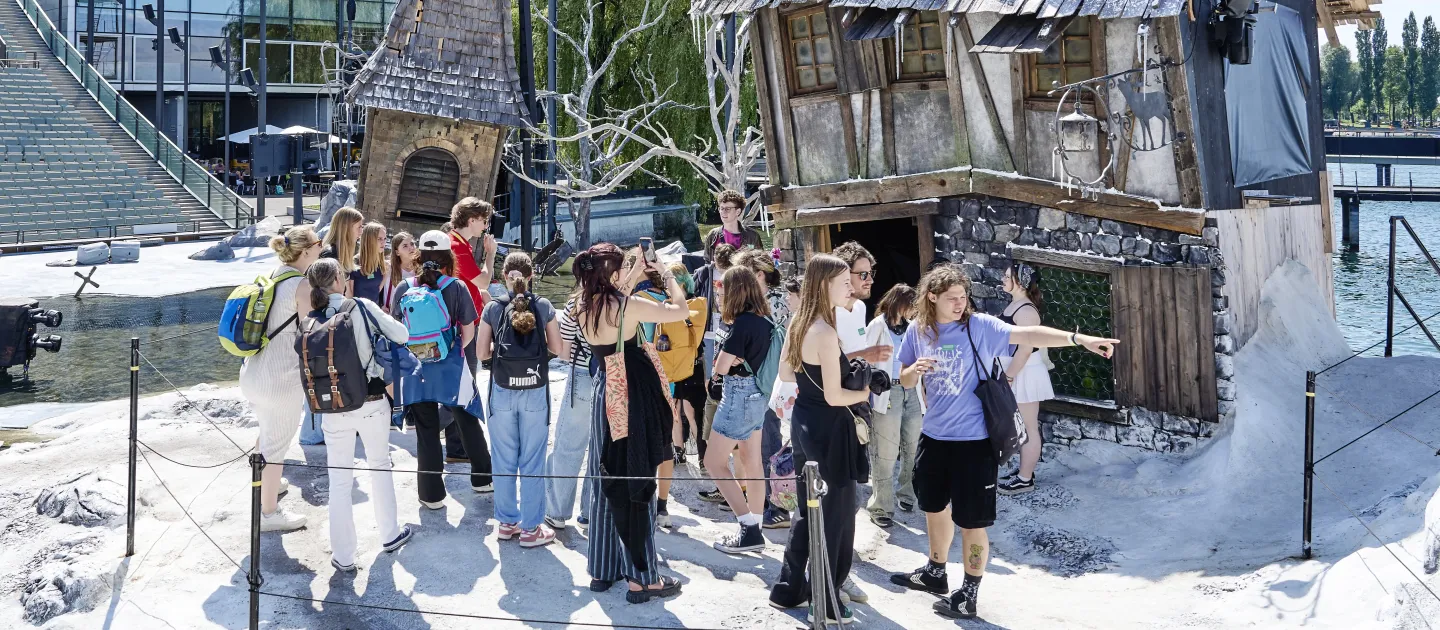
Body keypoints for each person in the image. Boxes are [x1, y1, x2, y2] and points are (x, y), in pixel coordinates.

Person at [888, 263, 1118, 620]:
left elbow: (1030, 335)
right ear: (931, 297)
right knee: (933, 507)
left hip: (975, 443)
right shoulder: (919, 331)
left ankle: (969, 593)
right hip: (933, 439)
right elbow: (902, 380)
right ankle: (935, 572)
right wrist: (912, 371)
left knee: (972, 522)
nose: (960, 304)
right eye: (952, 298)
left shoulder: (979, 327)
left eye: (963, 297)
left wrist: (1079, 339)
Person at [573, 242, 690, 603]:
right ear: (612, 273)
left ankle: (604, 569)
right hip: (630, 394)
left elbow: (615, 296)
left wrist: (637, 268)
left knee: (605, 476)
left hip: (604, 389)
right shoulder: (629, 306)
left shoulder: (583, 304)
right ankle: (644, 578)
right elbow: (681, 309)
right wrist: (666, 274)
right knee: (638, 479)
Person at [767, 254, 871, 624]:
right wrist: (866, 390)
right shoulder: (825, 332)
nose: (851, 287)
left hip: (805, 425)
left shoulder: (799, 322)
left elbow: (785, 371)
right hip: (828, 429)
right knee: (836, 514)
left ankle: (789, 589)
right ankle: (825, 597)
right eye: (845, 282)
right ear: (825, 284)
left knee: (807, 509)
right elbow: (835, 397)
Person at [300, 259, 415, 571]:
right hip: (370, 402)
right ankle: (390, 534)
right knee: (379, 466)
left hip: (332, 407)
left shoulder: (311, 318)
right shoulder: (361, 306)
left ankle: (344, 556)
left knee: (339, 481)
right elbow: (402, 335)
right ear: (338, 278)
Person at [393, 231, 492, 508]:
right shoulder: (457, 287)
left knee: (426, 429)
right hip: (450, 364)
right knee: (466, 418)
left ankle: (431, 494)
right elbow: (469, 330)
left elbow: (398, 330)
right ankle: (483, 479)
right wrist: (453, 351)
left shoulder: (404, 288)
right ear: (449, 258)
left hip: (417, 368)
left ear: (418, 256)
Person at [477, 252, 567, 547]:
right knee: (532, 459)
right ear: (531, 276)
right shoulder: (543, 306)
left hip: (502, 390)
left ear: (503, 277)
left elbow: (481, 355)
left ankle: (506, 523)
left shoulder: (492, 307)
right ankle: (531, 529)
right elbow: (557, 348)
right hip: (534, 389)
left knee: (503, 458)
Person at [240, 226, 323, 532]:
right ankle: (268, 513)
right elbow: (312, 331)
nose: (321, 247)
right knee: (277, 445)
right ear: (305, 252)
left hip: (255, 372)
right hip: (281, 379)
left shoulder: (276, 275)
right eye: (318, 243)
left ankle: (266, 482)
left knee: (267, 432)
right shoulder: (301, 285)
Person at [828, 240, 889, 604]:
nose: (869, 279)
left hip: (855, 407)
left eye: (871, 273)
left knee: (850, 493)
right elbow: (822, 361)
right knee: (831, 496)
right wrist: (867, 355)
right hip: (830, 409)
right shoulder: (827, 312)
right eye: (862, 273)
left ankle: (840, 572)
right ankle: (827, 578)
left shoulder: (861, 307)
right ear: (843, 275)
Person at [706, 265, 774, 554]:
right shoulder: (766, 320)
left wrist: (726, 362)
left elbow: (720, 366)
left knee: (713, 463)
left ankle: (747, 526)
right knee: (752, 461)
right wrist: (731, 360)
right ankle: (755, 528)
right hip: (758, 396)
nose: (719, 292)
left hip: (737, 396)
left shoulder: (743, 324)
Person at [732, 248, 793, 530]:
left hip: (767, 385)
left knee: (768, 444)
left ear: (759, 275)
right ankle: (767, 502)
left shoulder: (773, 303)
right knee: (757, 446)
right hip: (759, 383)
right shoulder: (764, 302)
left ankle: (776, 506)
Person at [445, 198, 499, 463]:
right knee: (465, 383)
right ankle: (457, 446)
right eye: (484, 220)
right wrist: (491, 254)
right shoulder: (458, 247)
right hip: (464, 325)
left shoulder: (455, 242)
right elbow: (483, 279)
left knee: (462, 381)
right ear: (472, 219)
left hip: (459, 322)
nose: (486, 225)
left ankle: (456, 445)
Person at [862, 283, 921, 527]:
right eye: (911, 306)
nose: (914, 311)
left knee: (913, 444)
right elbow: (863, 356)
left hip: (912, 390)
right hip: (887, 390)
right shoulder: (878, 325)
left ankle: (907, 494)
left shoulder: (914, 328)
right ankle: (881, 506)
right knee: (885, 450)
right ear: (900, 303)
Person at [998, 262, 1055, 495]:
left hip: (1025, 372)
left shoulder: (1027, 312)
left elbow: (1024, 350)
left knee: (1029, 427)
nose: (1002, 278)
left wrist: (1009, 376)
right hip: (1015, 371)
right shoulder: (1016, 305)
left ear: (1019, 282)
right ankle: (1024, 471)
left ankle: (1025, 478)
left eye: (1007, 276)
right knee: (1020, 425)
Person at [545, 295, 596, 531]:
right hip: (613, 379)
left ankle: (557, 512)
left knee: (568, 446)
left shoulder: (577, 302)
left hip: (583, 376)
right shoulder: (620, 299)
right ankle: (590, 512)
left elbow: (563, 352)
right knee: (601, 448)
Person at [693, 244, 735, 504]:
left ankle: (728, 484)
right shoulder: (704, 275)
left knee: (716, 400)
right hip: (711, 337)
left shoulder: (740, 317)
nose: (720, 293)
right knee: (712, 396)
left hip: (723, 349)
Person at [703, 190, 763, 261]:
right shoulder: (712, 235)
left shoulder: (753, 236)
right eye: (722, 208)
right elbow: (707, 262)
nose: (723, 212)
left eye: (728, 209)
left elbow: (760, 262)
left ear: (738, 211)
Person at [380, 231, 418, 315]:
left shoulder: (420, 269)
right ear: (397, 252)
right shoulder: (388, 267)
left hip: (413, 318)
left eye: (412, 244)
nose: (411, 248)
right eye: (405, 246)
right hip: (391, 317)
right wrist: (380, 306)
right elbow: (374, 290)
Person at [350, 222, 389, 304]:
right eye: (379, 239)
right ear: (368, 240)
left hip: (373, 311)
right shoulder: (354, 263)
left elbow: (376, 291)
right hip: (356, 311)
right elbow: (349, 297)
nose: (383, 242)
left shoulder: (383, 264)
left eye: (385, 238)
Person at [321, 207, 365, 276]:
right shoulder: (330, 255)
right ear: (346, 228)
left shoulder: (343, 252)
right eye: (359, 227)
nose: (361, 231)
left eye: (362, 227)